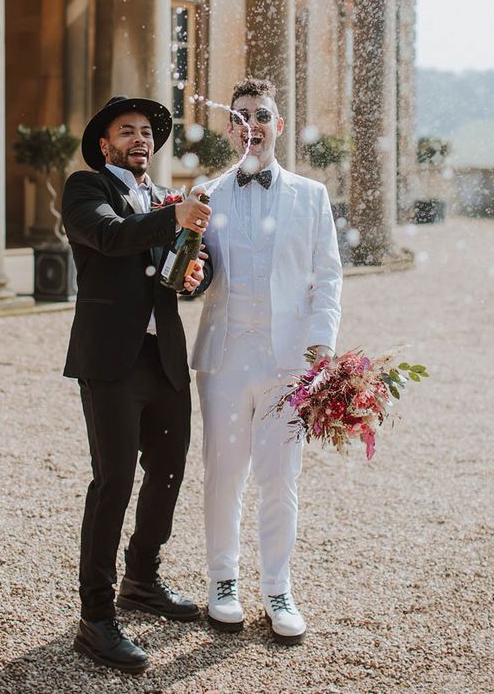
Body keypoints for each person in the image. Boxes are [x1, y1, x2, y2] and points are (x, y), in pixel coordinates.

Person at [62, 95, 212, 675]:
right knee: (114, 480)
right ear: (106, 144)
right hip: (111, 360)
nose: (140, 139)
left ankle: (142, 579)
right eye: (127, 131)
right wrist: (174, 219)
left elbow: (178, 268)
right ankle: (95, 618)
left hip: (164, 357)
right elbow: (109, 237)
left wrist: (196, 273)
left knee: (169, 469)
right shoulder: (86, 187)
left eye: (147, 131)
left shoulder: (163, 200)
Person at [192, 77, 342, 645]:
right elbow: (191, 271)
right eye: (241, 115)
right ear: (231, 129)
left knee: (281, 478)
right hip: (225, 357)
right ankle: (222, 580)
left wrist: (321, 347)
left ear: (279, 125)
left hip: (286, 361)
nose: (251, 123)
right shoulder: (205, 194)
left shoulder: (310, 196)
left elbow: (326, 276)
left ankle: (278, 587)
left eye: (263, 114)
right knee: (223, 472)